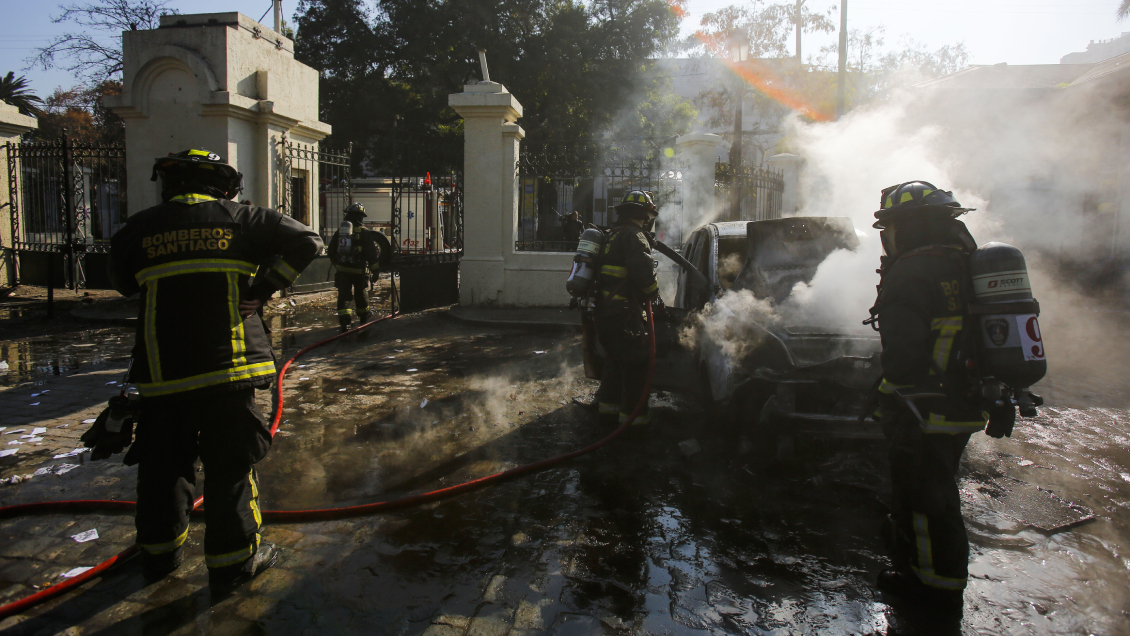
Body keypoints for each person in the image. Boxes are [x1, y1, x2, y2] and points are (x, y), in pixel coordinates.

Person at [105, 148, 322, 596]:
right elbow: (308, 241)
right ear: (223, 184)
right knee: (230, 466)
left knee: (163, 465)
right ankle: (234, 562)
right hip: (229, 371)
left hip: (162, 374)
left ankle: (160, 555)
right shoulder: (246, 219)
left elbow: (124, 283)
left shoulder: (140, 228)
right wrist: (262, 288)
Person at [867, 180, 996, 614]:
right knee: (940, 491)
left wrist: (885, 399)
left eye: (891, 226)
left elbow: (902, 360)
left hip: (924, 409)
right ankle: (938, 577)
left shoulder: (912, 271)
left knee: (922, 500)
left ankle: (931, 589)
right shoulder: (968, 265)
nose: (889, 237)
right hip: (965, 402)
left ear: (908, 227)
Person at [594, 191, 660, 427]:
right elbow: (643, 274)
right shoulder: (635, 237)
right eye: (648, 215)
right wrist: (654, 294)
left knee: (613, 366)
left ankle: (607, 417)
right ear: (643, 215)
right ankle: (635, 425)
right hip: (624, 316)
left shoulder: (611, 236)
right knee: (636, 369)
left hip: (605, 315)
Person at [327, 203, 382, 332]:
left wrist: (337, 263)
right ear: (360, 217)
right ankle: (363, 318)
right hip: (358, 270)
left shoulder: (341, 231)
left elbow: (331, 250)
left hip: (342, 270)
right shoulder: (364, 232)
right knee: (360, 294)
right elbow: (371, 254)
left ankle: (345, 321)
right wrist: (375, 271)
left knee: (344, 295)